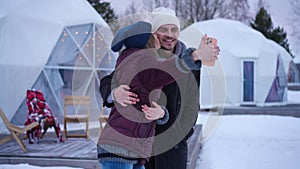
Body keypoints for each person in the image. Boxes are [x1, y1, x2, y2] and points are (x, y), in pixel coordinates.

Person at [99, 7, 220, 169]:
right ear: (153, 34)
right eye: (163, 30)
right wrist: (114, 93)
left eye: (174, 29)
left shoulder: (188, 64)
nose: (170, 35)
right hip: (139, 146)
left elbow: (191, 104)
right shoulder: (140, 58)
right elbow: (107, 81)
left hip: (170, 148)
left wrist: (179, 132)